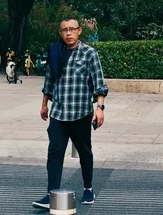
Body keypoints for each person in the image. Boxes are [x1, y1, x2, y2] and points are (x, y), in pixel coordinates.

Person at [33, 18, 109, 210]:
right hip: (58, 113)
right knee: (54, 153)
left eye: (72, 29)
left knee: (84, 151)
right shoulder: (55, 52)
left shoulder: (89, 53)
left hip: (81, 113)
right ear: (60, 33)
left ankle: (88, 188)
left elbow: (99, 83)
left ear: (79, 31)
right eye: (64, 30)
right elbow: (49, 80)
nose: (68, 33)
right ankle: (52, 194)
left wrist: (99, 108)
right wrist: (44, 104)